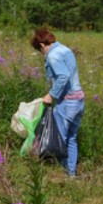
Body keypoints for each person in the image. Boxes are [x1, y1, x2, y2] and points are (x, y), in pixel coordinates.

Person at [31, 27, 84, 177]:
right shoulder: (65, 50)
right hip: (78, 99)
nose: (41, 53)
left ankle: (63, 173)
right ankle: (71, 174)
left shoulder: (53, 55)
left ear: (41, 44)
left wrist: (51, 95)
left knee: (59, 139)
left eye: (39, 50)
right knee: (71, 137)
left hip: (67, 102)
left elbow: (63, 76)